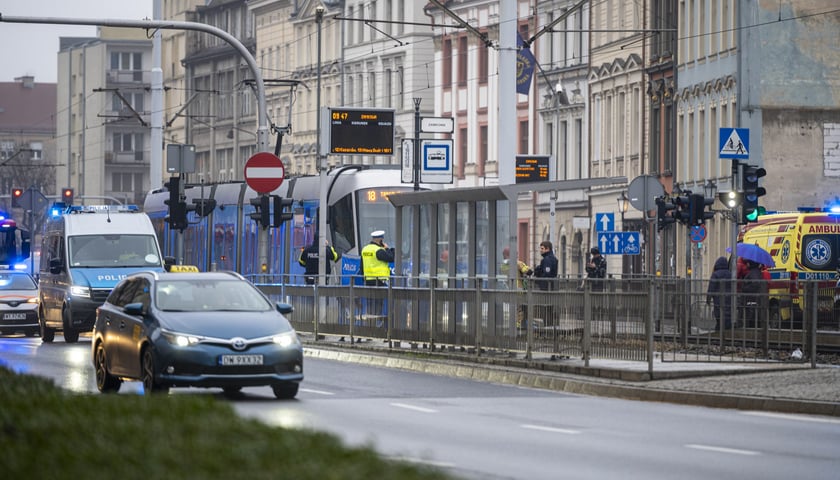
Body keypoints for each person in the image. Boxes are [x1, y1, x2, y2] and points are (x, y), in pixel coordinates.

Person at [361, 230, 395, 322]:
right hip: (379, 281)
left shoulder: (365, 249)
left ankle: (370, 326)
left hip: (368, 281)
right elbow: (391, 258)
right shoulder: (378, 250)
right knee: (379, 305)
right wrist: (387, 248)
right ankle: (378, 326)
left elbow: (361, 267)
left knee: (370, 304)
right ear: (380, 240)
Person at [531, 241, 558, 326]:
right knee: (549, 306)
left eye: (542, 248)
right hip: (550, 286)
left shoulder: (547, 259)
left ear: (547, 249)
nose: (540, 250)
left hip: (546, 287)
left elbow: (546, 274)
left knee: (546, 307)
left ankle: (547, 325)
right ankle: (549, 325)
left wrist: (538, 279)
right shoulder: (552, 258)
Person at [740, 259, 768, 328]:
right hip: (754, 299)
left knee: (751, 319)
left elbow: (755, 284)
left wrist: (745, 288)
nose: (747, 264)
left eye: (748, 263)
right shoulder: (756, 272)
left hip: (752, 299)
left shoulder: (753, 273)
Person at [706, 256, 732, 330]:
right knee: (727, 316)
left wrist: (708, 299)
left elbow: (711, 287)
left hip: (718, 299)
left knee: (719, 316)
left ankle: (719, 333)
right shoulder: (730, 274)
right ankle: (726, 333)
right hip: (729, 299)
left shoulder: (715, 274)